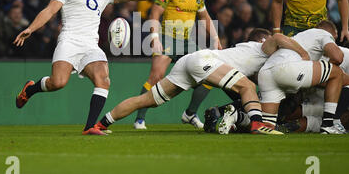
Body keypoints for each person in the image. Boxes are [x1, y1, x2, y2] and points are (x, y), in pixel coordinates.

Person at [13, 0, 178, 135]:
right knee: (58, 82)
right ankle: (30, 89)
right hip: (69, 41)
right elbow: (49, 10)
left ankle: (90, 127)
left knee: (103, 80)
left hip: (91, 46)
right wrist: (31, 28)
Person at [97, 28, 310, 135]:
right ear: (262, 40)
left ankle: (101, 123)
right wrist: (303, 54)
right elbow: (279, 37)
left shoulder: (246, 52)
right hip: (204, 61)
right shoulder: (263, 47)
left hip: (190, 62)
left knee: (146, 100)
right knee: (247, 86)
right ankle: (258, 125)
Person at [133, 0, 221, 130]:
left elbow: (204, 17)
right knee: (156, 76)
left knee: (210, 75)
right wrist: (155, 37)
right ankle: (139, 119)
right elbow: (155, 13)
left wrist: (216, 38)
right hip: (166, 38)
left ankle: (190, 113)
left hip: (187, 42)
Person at [256, 20, 348, 134]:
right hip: (288, 68)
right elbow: (338, 57)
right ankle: (329, 125)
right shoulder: (323, 33)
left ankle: (240, 119)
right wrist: (325, 79)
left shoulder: (300, 37)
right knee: (336, 72)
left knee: (266, 127)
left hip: (266, 72)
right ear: (334, 34)